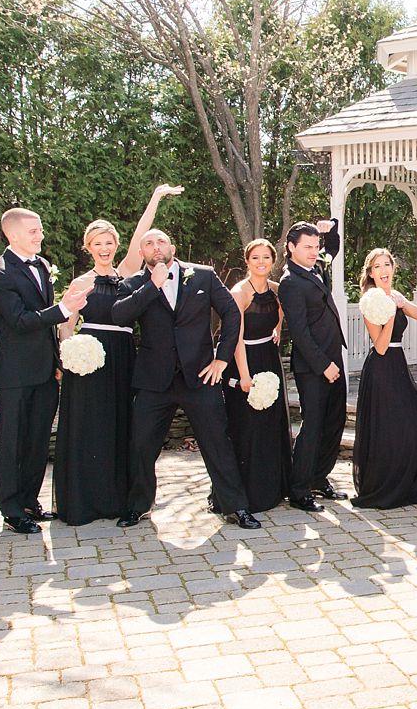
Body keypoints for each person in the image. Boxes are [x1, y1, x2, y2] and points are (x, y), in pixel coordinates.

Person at [111, 229, 257, 528]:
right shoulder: (134, 284)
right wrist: (152, 286)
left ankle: (235, 506)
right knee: (141, 444)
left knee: (217, 442)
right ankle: (139, 505)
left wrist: (221, 358)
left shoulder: (202, 276)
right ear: (142, 253)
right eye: (148, 244)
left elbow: (231, 313)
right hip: (154, 380)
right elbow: (119, 316)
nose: (156, 247)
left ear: (173, 247)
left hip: (200, 377)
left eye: (161, 241)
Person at [53, 184, 179, 527]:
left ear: (117, 247)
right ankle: (86, 500)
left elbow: (143, 232)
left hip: (124, 356)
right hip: (90, 358)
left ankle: (120, 499)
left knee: (123, 425)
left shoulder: (127, 273)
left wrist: (155, 197)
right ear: (88, 248)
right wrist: (69, 354)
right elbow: (66, 324)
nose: (105, 249)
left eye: (109, 243)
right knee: (90, 426)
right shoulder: (80, 282)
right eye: (98, 244)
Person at [0, 208, 90, 534]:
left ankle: (30, 500)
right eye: (33, 231)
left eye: (40, 230)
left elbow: (44, 320)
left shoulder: (42, 266)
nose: (40, 235)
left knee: (38, 441)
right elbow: (18, 321)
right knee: (13, 442)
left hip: (45, 371)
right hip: (15, 374)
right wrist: (63, 309)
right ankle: (12, 510)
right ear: (12, 235)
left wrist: (58, 359)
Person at [352, 248, 417, 509]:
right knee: (391, 427)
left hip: (398, 365)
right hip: (382, 367)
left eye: (387, 265)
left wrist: (400, 302)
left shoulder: (393, 296)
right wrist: (391, 313)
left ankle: (404, 477)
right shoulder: (370, 301)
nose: (383, 270)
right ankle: (392, 483)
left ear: (393, 269)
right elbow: (380, 346)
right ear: (370, 273)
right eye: (377, 267)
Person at [277, 219, 347, 513]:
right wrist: (323, 365)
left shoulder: (316, 269)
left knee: (335, 422)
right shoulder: (290, 282)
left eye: (315, 247)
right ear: (291, 248)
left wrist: (331, 228)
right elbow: (299, 332)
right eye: (307, 247)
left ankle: (319, 477)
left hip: (334, 358)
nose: (314, 251)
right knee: (314, 425)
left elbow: (332, 249)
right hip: (313, 366)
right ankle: (299, 489)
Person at [226, 239, 292, 514]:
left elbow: (279, 315)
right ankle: (247, 494)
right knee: (247, 426)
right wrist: (244, 375)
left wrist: (276, 330)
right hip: (245, 361)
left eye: (266, 257)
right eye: (256, 258)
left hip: (269, 358)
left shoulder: (277, 291)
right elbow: (236, 339)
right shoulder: (239, 292)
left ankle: (273, 489)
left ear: (273, 260)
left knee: (270, 423)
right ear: (248, 261)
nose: (261, 262)